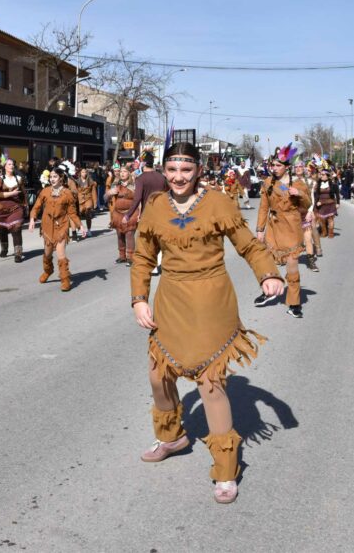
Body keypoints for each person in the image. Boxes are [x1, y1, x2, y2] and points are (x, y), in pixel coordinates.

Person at [130, 143, 284, 504]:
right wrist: (139, 298)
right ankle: (171, 438)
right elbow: (142, 256)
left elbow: (248, 245)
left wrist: (268, 275)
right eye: (172, 170)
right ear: (164, 171)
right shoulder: (155, 205)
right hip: (171, 297)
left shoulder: (218, 201)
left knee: (209, 382)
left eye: (185, 170)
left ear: (198, 169)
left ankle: (226, 470)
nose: (178, 177)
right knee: (158, 373)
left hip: (212, 297)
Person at [255, 144, 309, 318]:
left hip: (292, 227)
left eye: (278, 165)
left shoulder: (299, 183)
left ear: (287, 167)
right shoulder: (268, 183)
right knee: (267, 263)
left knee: (292, 265)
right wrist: (260, 229)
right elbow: (263, 208)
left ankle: (294, 303)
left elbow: (307, 205)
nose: (274, 168)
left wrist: (299, 194)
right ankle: (268, 291)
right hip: (273, 226)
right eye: (273, 165)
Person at [29, 168, 86, 292]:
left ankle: (65, 279)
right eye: (51, 177)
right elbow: (36, 206)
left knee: (61, 253)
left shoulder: (67, 193)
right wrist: (32, 219)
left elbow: (72, 213)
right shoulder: (45, 191)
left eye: (55, 177)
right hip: (47, 225)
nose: (52, 179)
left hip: (62, 225)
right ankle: (48, 270)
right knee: (48, 253)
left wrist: (80, 225)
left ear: (61, 178)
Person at [0, 158, 27, 263]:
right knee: (1, 230)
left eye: (12, 164)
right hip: (1, 210)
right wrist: (12, 193)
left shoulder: (19, 178)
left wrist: (25, 205)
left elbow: (23, 193)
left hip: (15, 208)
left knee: (16, 229)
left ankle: (18, 254)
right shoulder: (0, 179)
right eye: (9, 164)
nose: (11, 166)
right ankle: (4, 248)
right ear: (5, 166)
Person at [105, 164, 137, 265]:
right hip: (118, 213)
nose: (122, 173)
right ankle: (122, 256)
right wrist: (109, 194)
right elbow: (105, 198)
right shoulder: (115, 184)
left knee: (129, 234)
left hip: (131, 212)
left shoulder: (134, 185)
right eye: (121, 171)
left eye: (125, 171)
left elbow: (139, 199)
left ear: (129, 173)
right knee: (119, 234)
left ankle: (131, 257)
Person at [313, 167, 340, 240]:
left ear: (327, 176)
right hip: (321, 204)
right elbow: (316, 195)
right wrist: (316, 203)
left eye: (323, 175)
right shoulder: (318, 184)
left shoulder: (333, 184)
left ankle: (331, 233)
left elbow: (337, 194)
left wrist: (338, 203)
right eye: (321, 174)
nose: (321, 176)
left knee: (330, 219)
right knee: (322, 219)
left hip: (330, 203)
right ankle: (324, 232)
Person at [75, 167, 97, 239]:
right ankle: (80, 228)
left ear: (87, 173)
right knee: (79, 213)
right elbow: (75, 192)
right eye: (82, 172)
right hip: (80, 200)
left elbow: (93, 192)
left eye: (85, 172)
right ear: (80, 173)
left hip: (88, 198)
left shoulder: (90, 181)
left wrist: (95, 202)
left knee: (88, 212)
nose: (84, 174)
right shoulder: (77, 181)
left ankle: (89, 230)